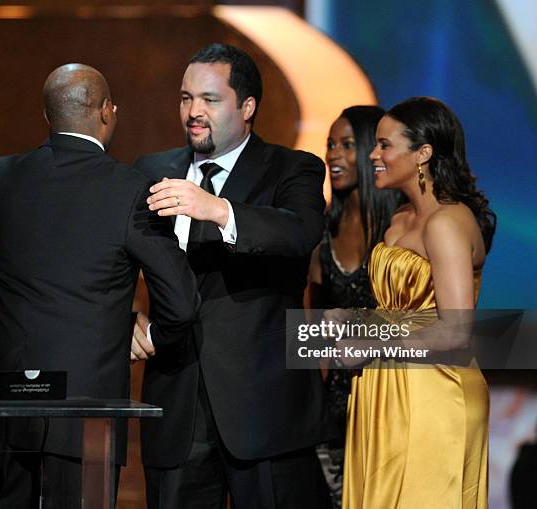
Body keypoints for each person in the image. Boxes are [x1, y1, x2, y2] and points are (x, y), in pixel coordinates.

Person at [0, 63, 199, 509]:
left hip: (5, 396)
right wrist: (142, 330)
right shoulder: (133, 190)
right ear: (106, 112)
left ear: (48, 116)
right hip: (87, 405)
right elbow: (180, 302)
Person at [131, 43, 333, 509]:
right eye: (185, 98)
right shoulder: (151, 171)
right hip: (176, 405)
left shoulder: (292, 168)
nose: (193, 112)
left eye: (209, 99)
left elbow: (300, 232)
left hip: (264, 411)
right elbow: (113, 255)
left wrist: (219, 211)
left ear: (247, 107)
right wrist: (128, 316)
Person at [341, 97, 496, 508]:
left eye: (385, 145)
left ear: (423, 153)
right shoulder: (399, 219)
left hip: (433, 392)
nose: (373, 155)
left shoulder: (446, 222)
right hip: (385, 389)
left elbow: (455, 328)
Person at [308, 105, 403, 507]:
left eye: (347, 145)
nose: (333, 155)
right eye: (330, 145)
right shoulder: (322, 232)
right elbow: (311, 334)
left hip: (388, 397)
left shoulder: (398, 231)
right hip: (334, 406)